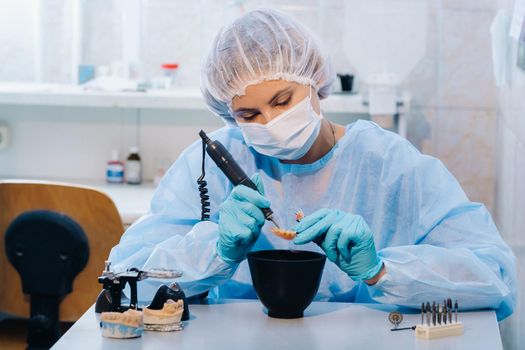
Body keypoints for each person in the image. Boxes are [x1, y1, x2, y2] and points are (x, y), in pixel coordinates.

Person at [108, 8, 517, 320]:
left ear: (315, 81)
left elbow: (494, 278)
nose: (271, 123)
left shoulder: (391, 166)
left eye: (283, 101)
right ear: (228, 114)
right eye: (249, 115)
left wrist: (381, 271)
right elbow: (124, 279)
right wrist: (213, 251)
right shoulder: (215, 162)